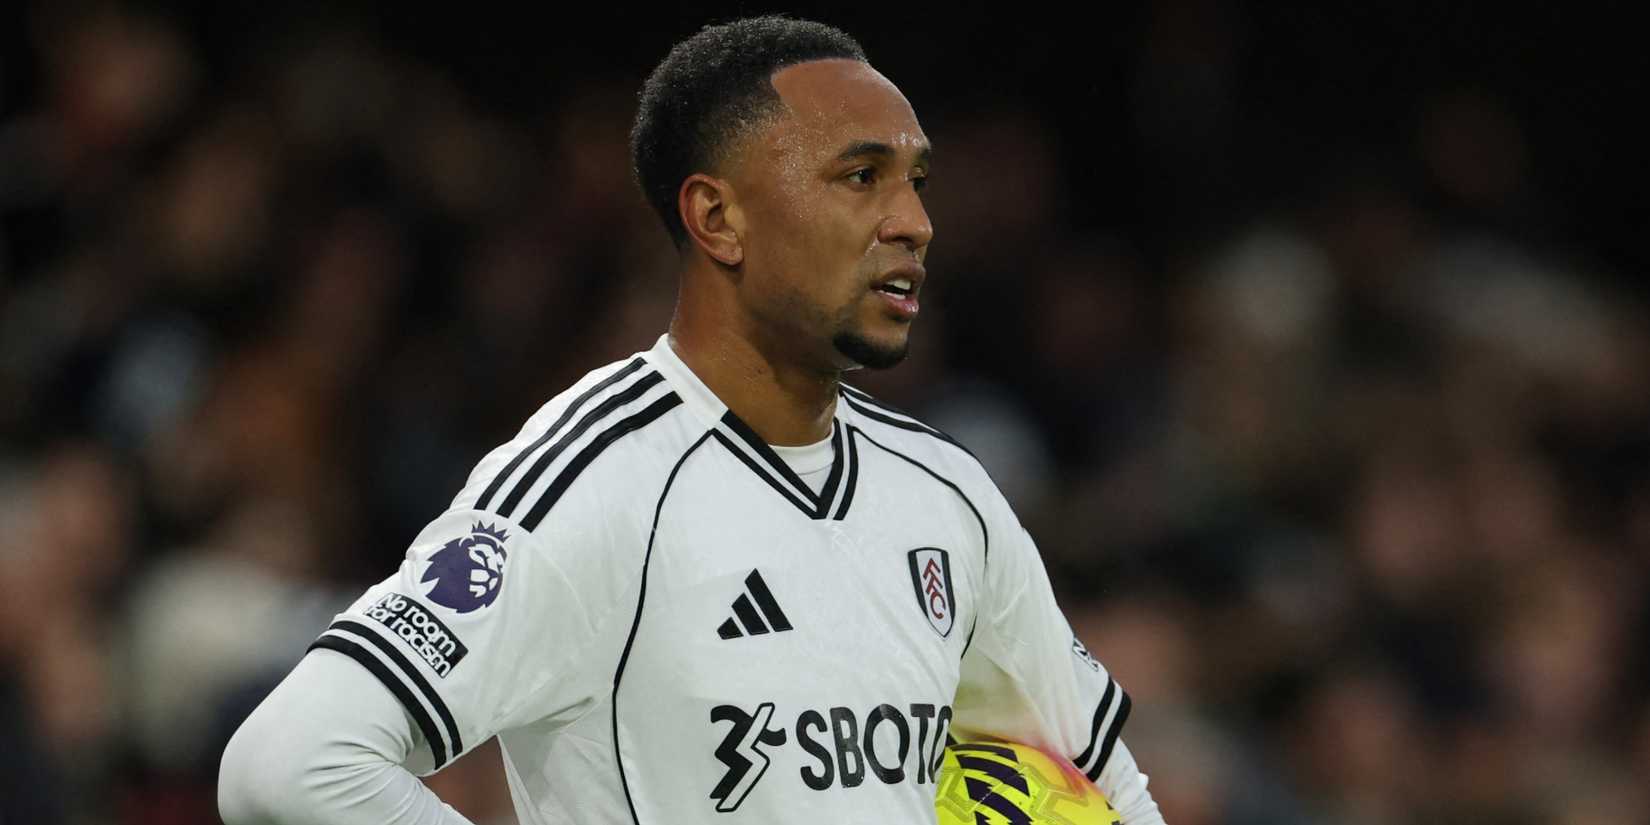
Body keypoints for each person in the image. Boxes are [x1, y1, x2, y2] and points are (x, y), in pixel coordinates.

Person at [218, 15, 1165, 824]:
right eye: (860, 176)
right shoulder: (594, 482)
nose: (914, 221)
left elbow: (1103, 782)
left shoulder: (947, 496)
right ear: (718, 219)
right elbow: (293, 759)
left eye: (916, 179)